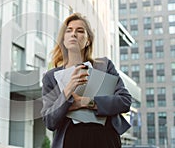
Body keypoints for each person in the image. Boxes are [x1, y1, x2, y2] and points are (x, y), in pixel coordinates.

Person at [41, 13, 132, 148]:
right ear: (63, 40)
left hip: (106, 138)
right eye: (69, 31)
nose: (73, 34)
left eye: (80, 31)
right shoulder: (51, 77)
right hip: (71, 140)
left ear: (88, 40)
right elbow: (50, 121)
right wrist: (68, 90)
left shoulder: (104, 66)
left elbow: (125, 101)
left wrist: (87, 102)